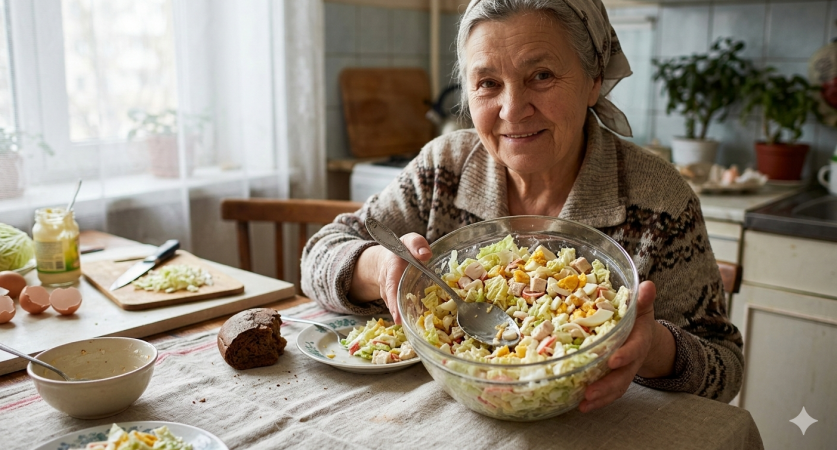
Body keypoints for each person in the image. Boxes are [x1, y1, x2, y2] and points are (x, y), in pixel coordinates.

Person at [301, 0, 743, 413]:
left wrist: (653, 347)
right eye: (488, 83)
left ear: (593, 80)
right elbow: (317, 255)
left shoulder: (659, 198)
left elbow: (725, 369)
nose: (512, 110)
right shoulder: (444, 167)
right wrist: (378, 267)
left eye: (542, 76)